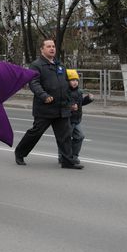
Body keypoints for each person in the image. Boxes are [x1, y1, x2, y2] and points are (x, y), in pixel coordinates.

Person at [14, 39, 82, 169]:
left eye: (53, 46)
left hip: (62, 108)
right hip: (45, 108)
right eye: (49, 46)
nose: (52, 48)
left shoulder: (60, 65)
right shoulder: (36, 65)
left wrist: (71, 102)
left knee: (65, 136)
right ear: (42, 49)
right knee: (35, 133)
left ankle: (67, 161)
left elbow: (67, 86)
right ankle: (20, 153)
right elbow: (34, 83)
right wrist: (44, 96)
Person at [61, 69, 93, 166]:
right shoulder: (64, 91)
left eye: (76, 80)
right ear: (67, 81)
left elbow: (80, 104)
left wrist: (88, 99)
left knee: (80, 136)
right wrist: (70, 107)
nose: (74, 82)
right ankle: (64, 157)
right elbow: (61, 104)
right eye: (72, 80)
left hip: (76, 119)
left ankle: (74, 156)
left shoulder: (79, 92)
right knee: (65, 139)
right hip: (68, 119)